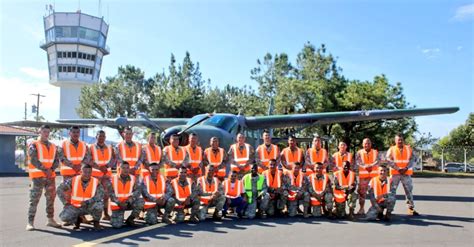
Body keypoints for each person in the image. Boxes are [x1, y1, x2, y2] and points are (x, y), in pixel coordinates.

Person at [26, 125, 61, 231]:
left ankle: (50, 220)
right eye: (44, 131)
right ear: (39, 132)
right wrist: (45, 170)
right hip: (37, 177)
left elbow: (56, 160)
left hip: (50, 177)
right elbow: (33, 160)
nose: (46, 133)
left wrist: (52, 169)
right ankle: (30, 222)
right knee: (34, 200)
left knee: (51, 199)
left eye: (48, 132)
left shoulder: (53, 146)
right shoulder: (34, 144)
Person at [57, 164, 103, 230]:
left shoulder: (96, 181)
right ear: (81, 172)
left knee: (99, 204)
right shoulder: (73, 180)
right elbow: (59, 189)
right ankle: (77, 219)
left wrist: (87, 202)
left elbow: (100, 195)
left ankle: (96, 222)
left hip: (89, 206)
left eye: (89, 172)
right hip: (76, 207)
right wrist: (65, 202)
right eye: (85, 172)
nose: (87, 174)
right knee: (64, 217)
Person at [386, 134, 419, 216]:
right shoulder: (392, 149)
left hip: (406, 174)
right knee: (391, 192)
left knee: (409, 191)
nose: (400, 141)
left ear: (403, 140)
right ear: (395, 141)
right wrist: (397, 168)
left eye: (401, 139)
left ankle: (411, 208)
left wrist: (407, 168)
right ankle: (389, 210)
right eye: (398, 140)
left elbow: (414, 159)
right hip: (395, 174)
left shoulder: (408, 149)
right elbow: (388, 159)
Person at [108, 162, 144, 228]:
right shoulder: (113, 179)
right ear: (119, 169)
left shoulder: (133, 178)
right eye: (123, 168)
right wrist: (119, 203)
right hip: (117, 205)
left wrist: (128, 201)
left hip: (128, 203)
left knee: (141, 201)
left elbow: (137, 191)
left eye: (127, 168)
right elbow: (110, 193)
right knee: (117, 226)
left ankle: (130, 219)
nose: (126, 170)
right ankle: (115, 218)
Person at [89, 130, 115, 220]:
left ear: (105, 137)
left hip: (106, 175)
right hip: (95, 175)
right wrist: (99, 167)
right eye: (100, 136)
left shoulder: (109, 148)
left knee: (106, 195)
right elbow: (88, 160)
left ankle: (106, 214)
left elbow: (113, 159)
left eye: (103, 136)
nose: (101, 138)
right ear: (96, 137)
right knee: (95, 195)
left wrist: (107, 166)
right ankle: (94, 215)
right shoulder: (91, 147)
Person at [355, 138, 380, 215]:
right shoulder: (359, 152)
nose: (367, 145)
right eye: (365, 143)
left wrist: (371, 166)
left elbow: (378, 160)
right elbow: (357, 161)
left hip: (374, 178)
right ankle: (361, 209)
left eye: (368, 143)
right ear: (363, 144)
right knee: (362, 194)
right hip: (363, 178)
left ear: (371, 144)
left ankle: (375, 209)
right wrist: (365, 166)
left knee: (374, 194)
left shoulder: (375, 152)